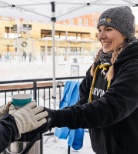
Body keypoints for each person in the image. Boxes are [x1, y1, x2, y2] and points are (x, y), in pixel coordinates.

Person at [36, 6, 138, 154]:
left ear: (125, 33)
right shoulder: (100, 63)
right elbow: (84, 101)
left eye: (108, 29)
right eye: (99, 30)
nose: (101, 36)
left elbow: (110, 108)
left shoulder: (133, 65)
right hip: (103, 148)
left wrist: (56, 118)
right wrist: (49, 117)